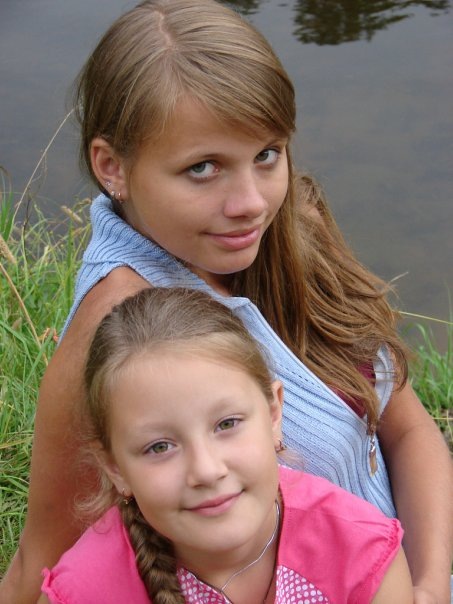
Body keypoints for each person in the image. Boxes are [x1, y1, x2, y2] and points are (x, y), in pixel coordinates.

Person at [1, 1, 451, 602]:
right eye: (203, 168)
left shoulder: (293, 224)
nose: (251, 203)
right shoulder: (122, 335)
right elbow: (44, 559)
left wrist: (425, 583)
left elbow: (405, 426)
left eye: (266, 154)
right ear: (112, 166)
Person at [38, 286, 413, 604]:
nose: (206, 470)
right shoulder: (83, 592)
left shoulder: (362, 555)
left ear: (273, 414)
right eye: (159, 447)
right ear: (115, 469)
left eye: (227, 424)